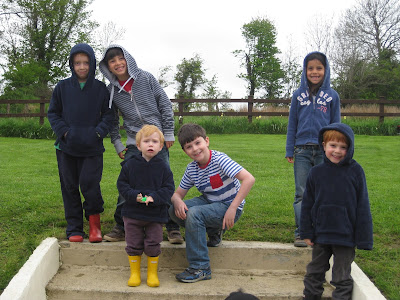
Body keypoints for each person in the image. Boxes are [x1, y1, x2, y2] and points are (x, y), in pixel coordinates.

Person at [98, 44, 183, 244]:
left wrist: (168, 132)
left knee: (163, 181)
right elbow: (111, 119)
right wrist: (118, 144)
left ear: (127, 59)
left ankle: (172, 226)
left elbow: (164, 103)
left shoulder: (146, 78)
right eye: (112, 61)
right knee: (127, 182)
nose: (118, 63)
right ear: (107, 67)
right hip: (134, 142)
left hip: (156, 138)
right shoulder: (112, 91)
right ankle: (121, 225)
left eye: (120, 58)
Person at [169, 123, 255, 283]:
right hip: (210, 202)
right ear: (184, 151)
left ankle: (201, 268)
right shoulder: (192, 169)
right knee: (172, 209)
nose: (195, 149)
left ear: (206, 141)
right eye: (189, 146)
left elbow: (249, 179)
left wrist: (233, 207)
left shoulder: (219, 159)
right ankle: (215, 232)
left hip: (230, 206)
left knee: (194, 214)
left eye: (197, 143)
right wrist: (177, 201)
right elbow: (177, 194)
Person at [48, 43, 113, 243]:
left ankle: (94, 225)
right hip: (66, 147)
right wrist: (65, 132)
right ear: (72, 64)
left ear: (92, 63)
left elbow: (109, 116)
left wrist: (98, 133)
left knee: (90, 185)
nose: (82, 66)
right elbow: (53, 113)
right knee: (69, 187)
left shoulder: (101, 89)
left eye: (86, 62)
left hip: (92, 147)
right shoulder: (62, 87)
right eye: (77, 63)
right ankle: (74, 227)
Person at [300, 123, 373, 300]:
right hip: (321, 234)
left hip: (345, 237)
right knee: (314, 272)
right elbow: (307, 203)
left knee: (341, 277)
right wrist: (306, 231)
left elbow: (362, 205)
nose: (337, 151)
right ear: (324, 145)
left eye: (343, 147)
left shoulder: (356, 171)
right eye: (333, 146)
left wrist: (364, 238)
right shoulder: (316, 172)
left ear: (350, 148)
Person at [285, 51, 341, 247]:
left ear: (325, 70)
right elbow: (292, 123)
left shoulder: (332, 96)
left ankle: (320, 232)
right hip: (301, 151)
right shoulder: (298, 95)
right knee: (301, 193)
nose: (315, 72)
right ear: (305, 70)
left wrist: (335, 151)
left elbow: (337, 125)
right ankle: (301, 232)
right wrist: (289, 149)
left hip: (323, 152)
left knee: (322, 192)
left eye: (319, 68)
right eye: (311, 68)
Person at [117, 125, 175, 287]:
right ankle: (135, 273)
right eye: (146, 141)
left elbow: (168, 188)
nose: (150, 144)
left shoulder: (163, 167)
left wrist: (154, 197)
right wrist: (133, 196)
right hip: (132, 213)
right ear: (138, 146)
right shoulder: (130, 165)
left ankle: (152, 274)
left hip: (155, 215)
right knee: (133, 243)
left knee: (153, 243)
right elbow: (122, 185)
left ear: (161, 146)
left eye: (155, 141)